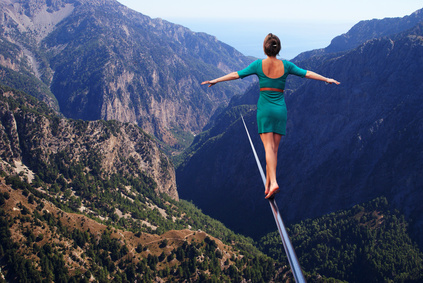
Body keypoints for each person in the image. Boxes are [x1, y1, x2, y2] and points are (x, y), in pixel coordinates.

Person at [202, 33, 340, 199]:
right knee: (273, 150)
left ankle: (273, 182)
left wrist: (216, 80)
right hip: (280, 110)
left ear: (264, 48)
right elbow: (307, 73)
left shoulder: (258, 65)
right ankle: (268, 186)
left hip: (265, 110)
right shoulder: (287, 66)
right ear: (278, 48)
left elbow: (236, 74)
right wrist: (326, 79)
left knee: (268, 149)